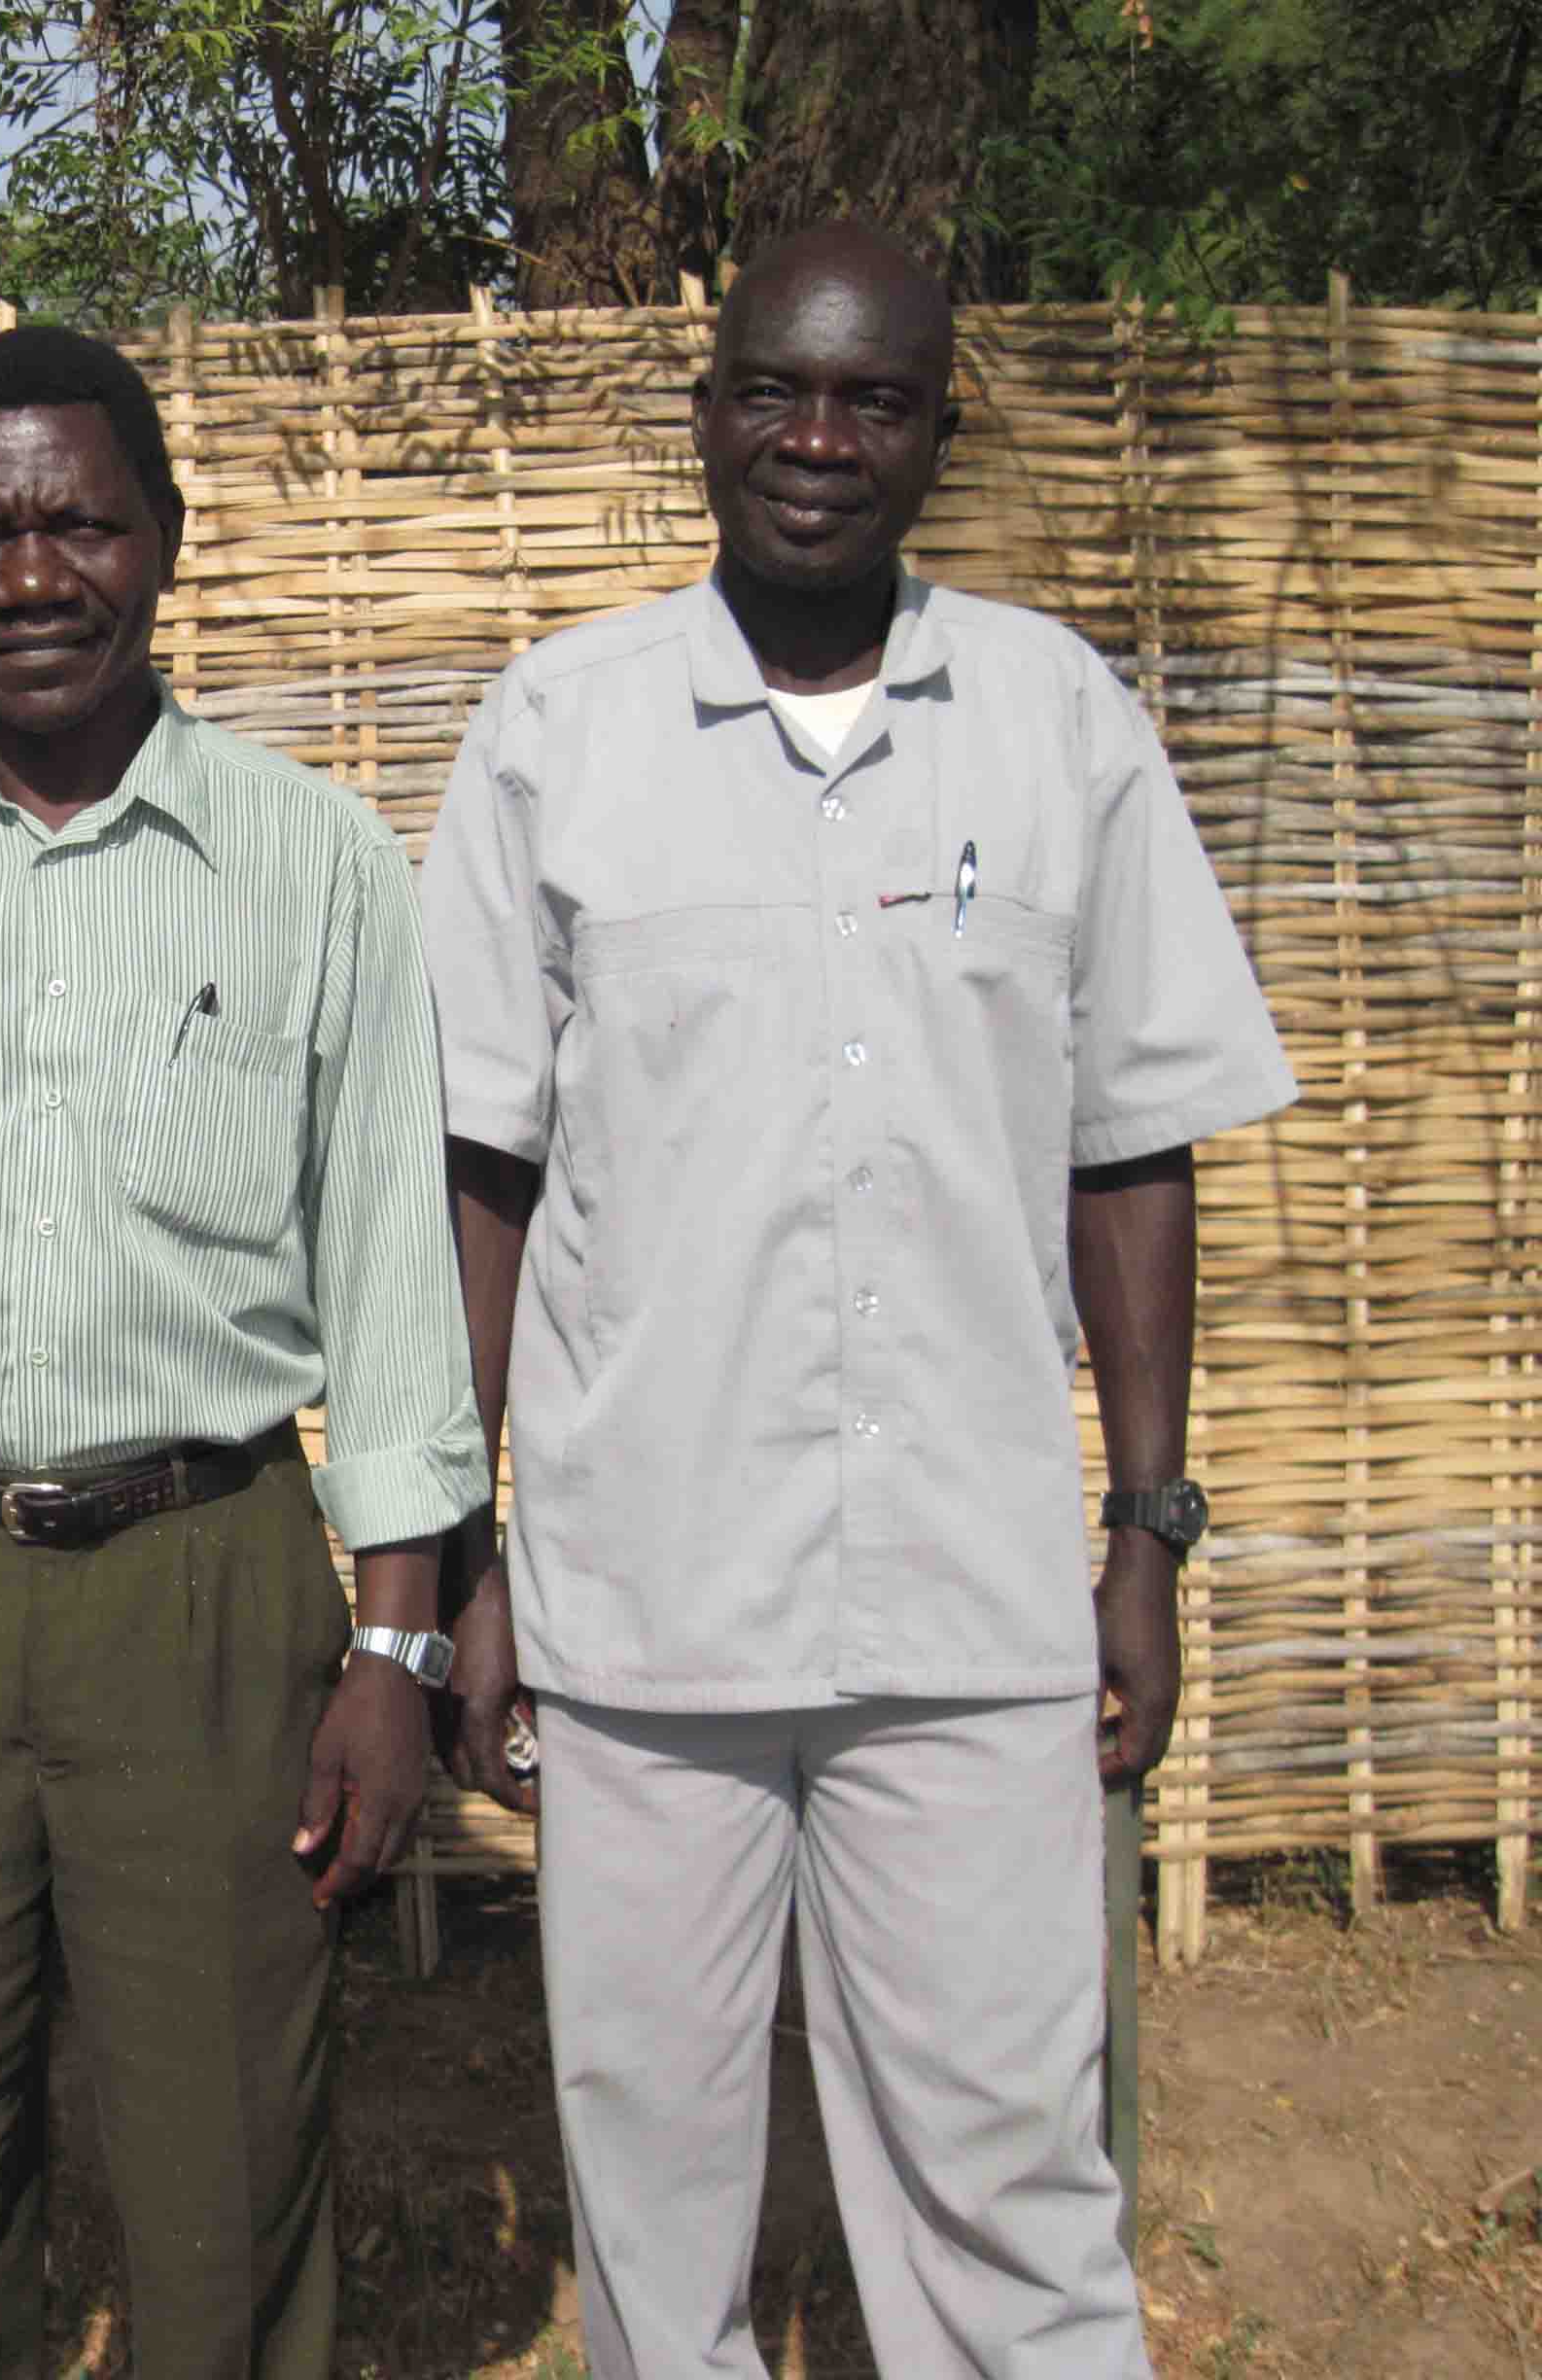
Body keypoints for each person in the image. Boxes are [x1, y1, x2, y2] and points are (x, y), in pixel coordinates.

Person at [420, 222, 1299, 2377]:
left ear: (935, 435)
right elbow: (480, 1176)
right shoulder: (562, 730)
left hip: (970, 1613)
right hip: (647, 1612)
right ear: (709, 416)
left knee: (1015, 2189)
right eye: (779, 394)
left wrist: (1148, 1532)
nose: (820, 441)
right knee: (654, 2199)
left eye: (874, 401)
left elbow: (1131, 1148)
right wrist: (465, 1550)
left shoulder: (1056, 719)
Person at [0, 325, 491, 2380]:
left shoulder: (317, 869)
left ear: (165, 540)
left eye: (78, 523)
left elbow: (400, 1290)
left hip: (207, 1580)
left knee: (228, 2175)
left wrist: (395, 1654)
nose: (30, 574)